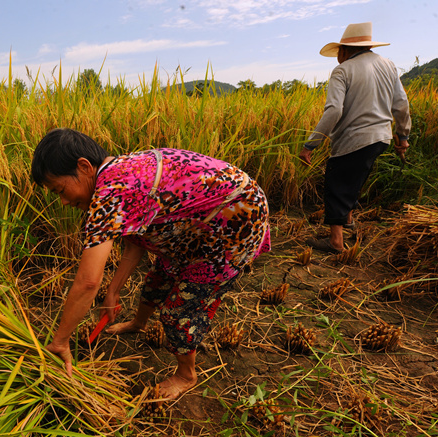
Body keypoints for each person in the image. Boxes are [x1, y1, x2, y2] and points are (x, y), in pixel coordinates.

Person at [31, 128, 271, 401]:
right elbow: (137, 239)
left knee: (180, 308)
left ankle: (186, 375)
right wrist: (114, 290)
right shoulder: (117, 175)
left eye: (60, 189)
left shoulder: (110, 191)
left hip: (237, 221)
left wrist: (60, 340)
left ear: (84, 166)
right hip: (201, 223)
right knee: (160, 275)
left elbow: (87, 281)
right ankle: (138, 323)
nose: (63, 201)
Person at [300, 22, 411, 253]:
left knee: (336, 184)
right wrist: (403, 136)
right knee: (356, 177)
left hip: (354, 138)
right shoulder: (388, 65)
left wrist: (311, 143)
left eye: (339, 51)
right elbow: (401, 104)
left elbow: (333, 110)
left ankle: (336, 242)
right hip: (381, 137)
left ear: (345, 49)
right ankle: (348, 220)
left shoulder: (343, 70)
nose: (337, 56)